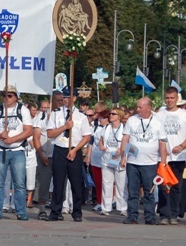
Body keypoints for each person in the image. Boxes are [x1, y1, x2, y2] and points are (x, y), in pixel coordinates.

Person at [0, 85, 33, 220]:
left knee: (19, 183)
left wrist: (13, 139)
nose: (6, 98)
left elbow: (28, 130)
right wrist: (0, 136)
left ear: (16, 97)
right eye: (5, 95)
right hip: (1, 150)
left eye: (10, 95)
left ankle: (21, 212)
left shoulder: (22, 110)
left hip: (17, 150)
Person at [119, 97, 167, 225]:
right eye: (137, 107)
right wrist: (123, 157)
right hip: (133, 162)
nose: (137, 109)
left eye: (140, 107)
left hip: (150, 163)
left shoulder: (157, 122)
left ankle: (150, 217)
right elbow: (125, 138)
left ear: (149, 108)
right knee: (133, 191)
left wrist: (163, 162)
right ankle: (132, 216)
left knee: (149, 192)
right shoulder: (132, 120)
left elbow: (162, 143)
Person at [46, 88, 91, 222]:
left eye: (68, 97)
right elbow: (50, 134)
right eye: (64, 97)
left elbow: (87, 136)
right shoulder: (55, 114)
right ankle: (55, 211)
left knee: (76, 183)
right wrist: (65, 127)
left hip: (74, 150)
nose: (66, 99)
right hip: (60, 149)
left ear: (75, 98)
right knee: (58, 183)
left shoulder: (81, 116)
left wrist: (75, 149)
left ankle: (77, 212)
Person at [157, 88, 186, 225]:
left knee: (176, 186)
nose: (169, 100)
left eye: (172, 98)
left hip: (178, 156)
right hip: (163, 157)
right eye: (167, 98)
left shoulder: (185, 115)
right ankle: (164, 214)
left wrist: (181, 146)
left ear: (177, 99)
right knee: (163, 186)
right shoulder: (159, 115)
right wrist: (161, 148)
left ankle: (173, 214)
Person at [97, 108, 126, 216]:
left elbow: (131, 144)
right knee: (107, 183)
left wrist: (123, 150)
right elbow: (101, 140)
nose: (111, 115)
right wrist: (101, 146)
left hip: (119, 158)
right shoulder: (106, 127)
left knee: (121, 184)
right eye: (110, 114)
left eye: (113, 114)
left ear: (119, 116)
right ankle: (105, 207)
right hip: (107, 157)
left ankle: (123, 207)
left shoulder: (124, 128)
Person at [86, 110, 109, 212]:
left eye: (102, 118)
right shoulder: (96, 128)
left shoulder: (112, 129)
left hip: (109, 159)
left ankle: (110, 202)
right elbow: (91, 143)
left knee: (109, 182)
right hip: (96, 159)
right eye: (99, 118)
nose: (100, 120)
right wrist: (88, 157)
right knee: (98, 183)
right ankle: (100, 202)